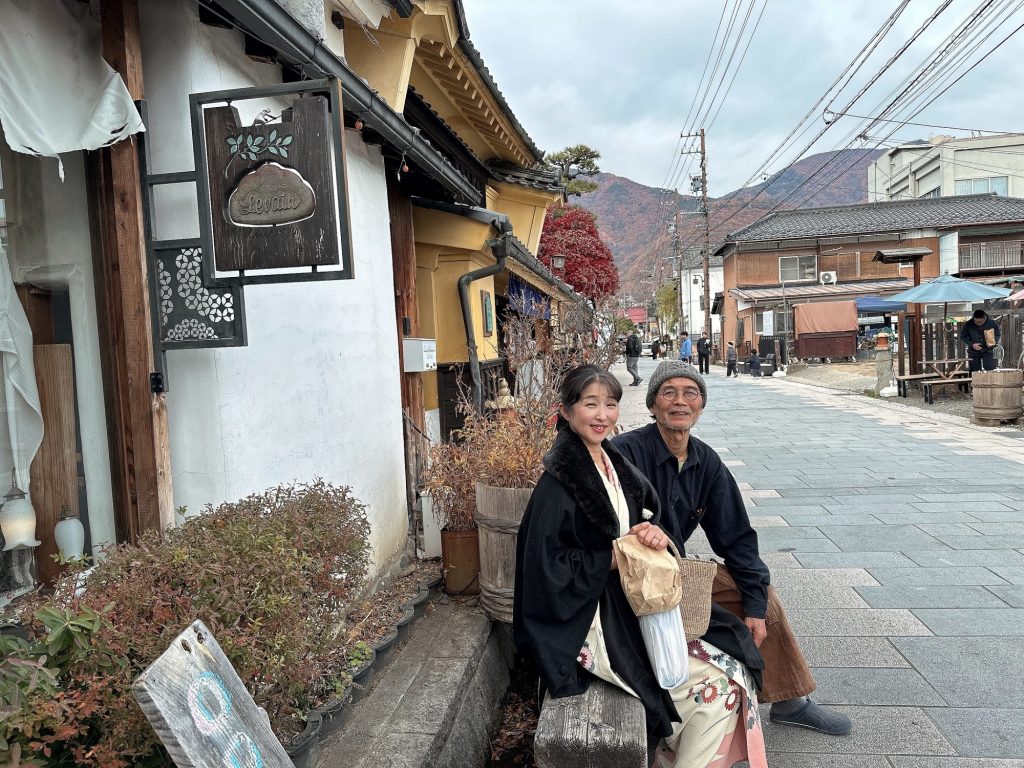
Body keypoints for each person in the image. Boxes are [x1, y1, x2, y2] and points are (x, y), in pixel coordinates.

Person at [514, 365, 768, 767]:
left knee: (735, 661)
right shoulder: (561, 480)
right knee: (723, 685)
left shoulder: (609, 462)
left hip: (627, 604)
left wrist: (654, 533)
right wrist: (614, 557)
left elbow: (648, 520)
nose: (602, 415)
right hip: (587, 622)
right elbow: (545, 570)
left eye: (611, 404)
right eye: (590, 404)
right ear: (565, 411)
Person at [613, 361, 853, 736]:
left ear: (701, 406)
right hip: (632, 579)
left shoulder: (705, 461)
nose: (680, 401)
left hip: (677, 573)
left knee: (761, 597)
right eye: (668, 393)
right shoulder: (626, 452)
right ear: (652, 405)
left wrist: (754, 604)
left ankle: (790, 701)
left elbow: (736, 536)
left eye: (690, 393)